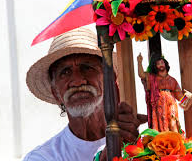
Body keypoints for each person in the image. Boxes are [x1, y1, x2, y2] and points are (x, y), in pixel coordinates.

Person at [23, 27, 147, 161]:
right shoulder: (43, 157)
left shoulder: (145, 141)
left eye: (87, 68)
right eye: (65, 72)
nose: (77, 81)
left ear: (109, 79)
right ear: (56, 92)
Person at [137, 53, 192, 132]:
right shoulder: (152, 78)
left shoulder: (172, 80)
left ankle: (176, 141)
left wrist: (189, 97)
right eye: (158, 64)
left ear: (165, 64)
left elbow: (181, 99)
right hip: (159, 104)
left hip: (171, 103)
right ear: (155, 66)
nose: (161, 65)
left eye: (162, 63)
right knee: (160, 126)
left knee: (173, 122)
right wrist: (139, 62)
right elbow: (142, 75)